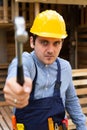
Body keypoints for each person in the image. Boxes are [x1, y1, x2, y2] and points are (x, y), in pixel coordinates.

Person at [4, 10, 87, 130]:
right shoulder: (28, 62)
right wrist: (15, 82)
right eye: (44, 42)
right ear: (32, 42)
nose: (51, 50)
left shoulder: (65, 68)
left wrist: (81, 126)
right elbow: (18, 66)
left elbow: (71, 100)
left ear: (62, 43)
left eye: (56, 43)